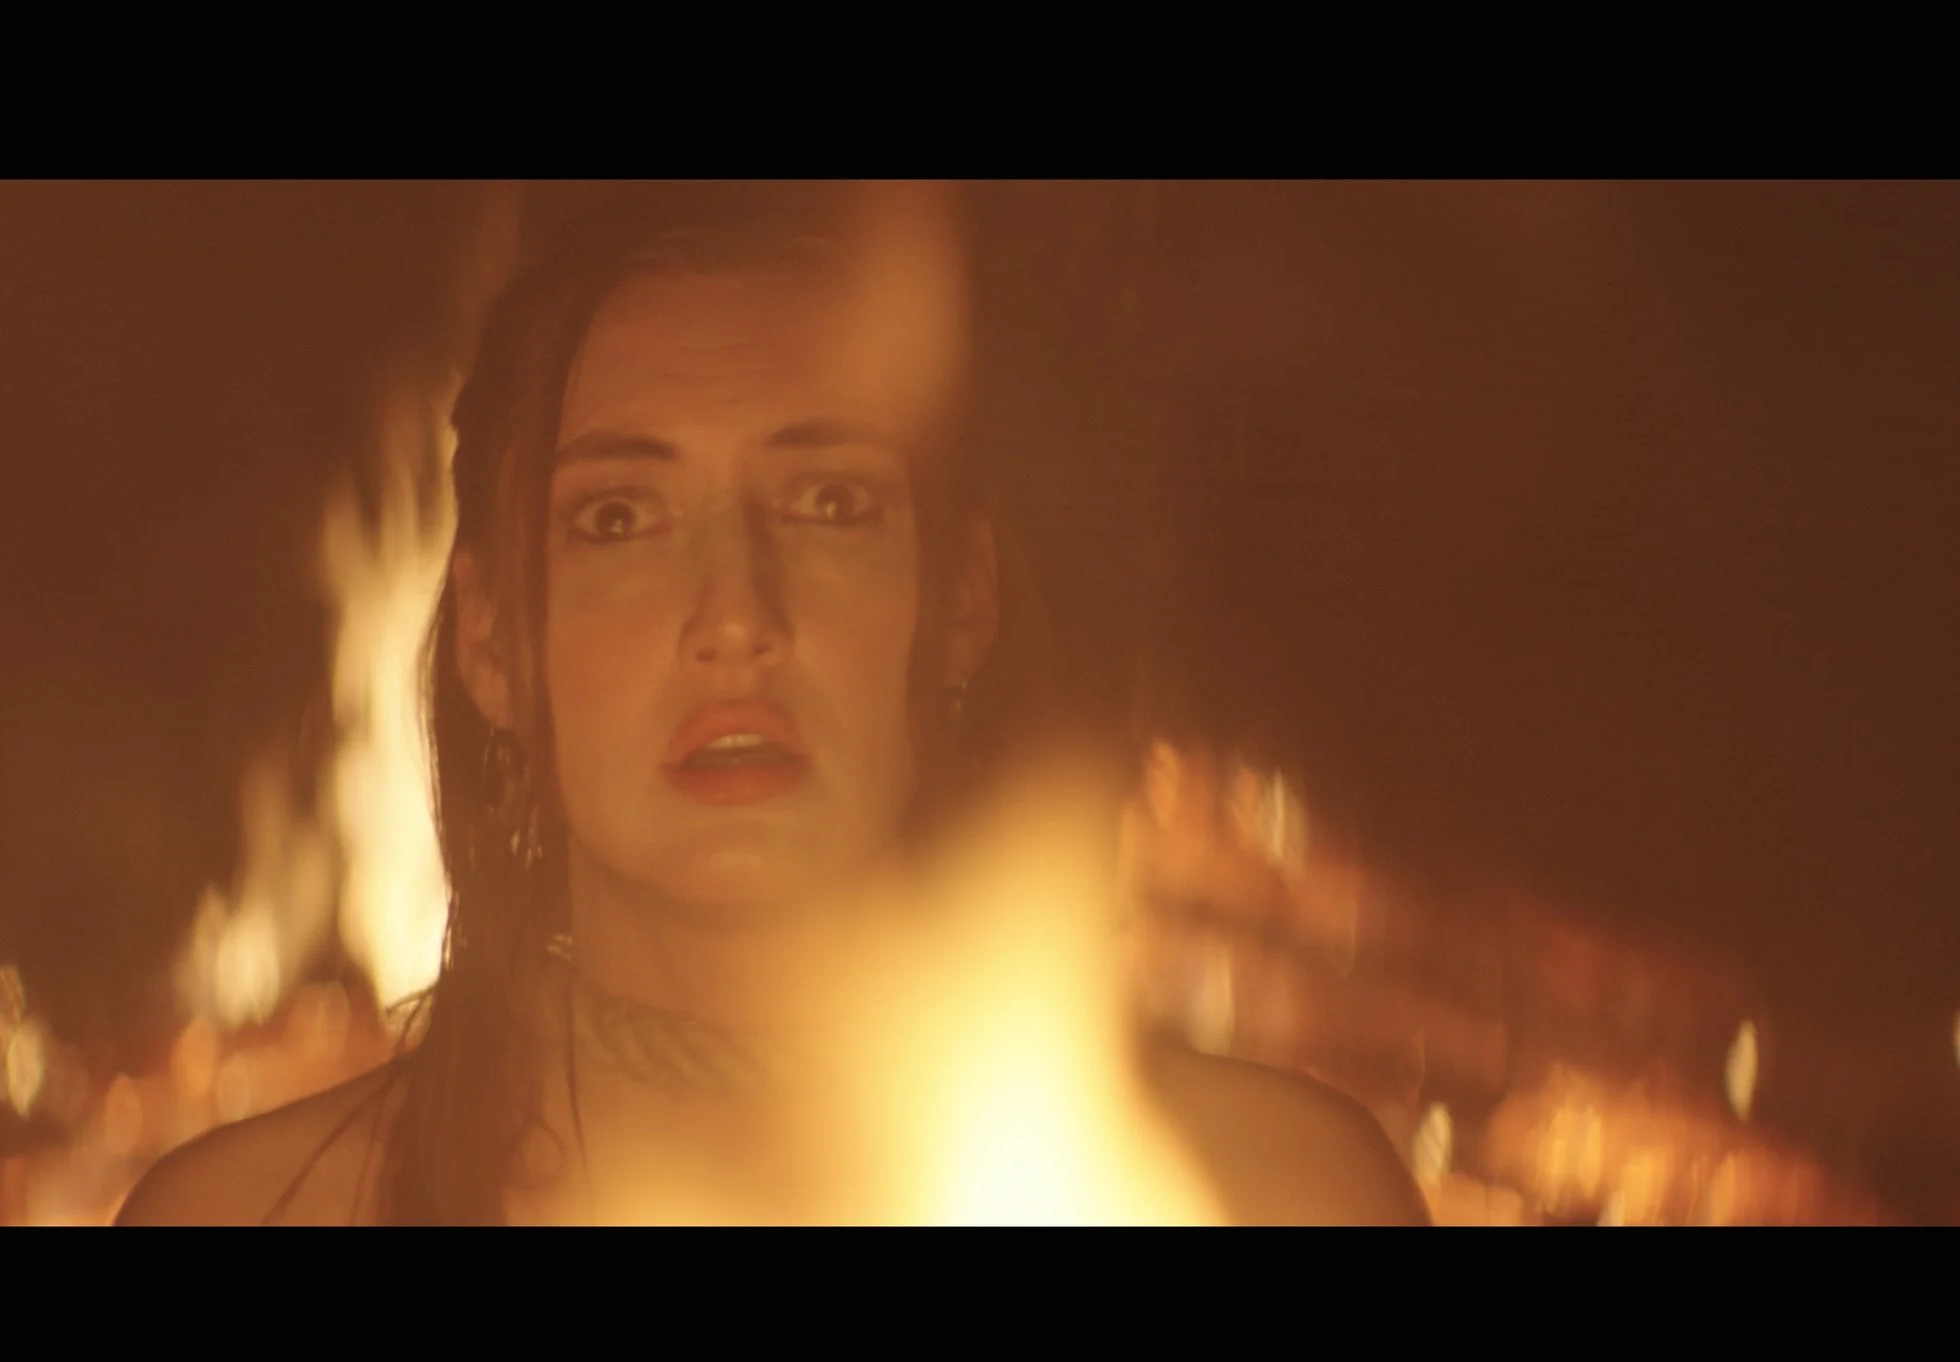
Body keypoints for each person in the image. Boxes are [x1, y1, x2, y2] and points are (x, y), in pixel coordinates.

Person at [119, 190, 1428, 1225]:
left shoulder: (1267, 1198)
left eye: (829, 503)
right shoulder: (261, 1214)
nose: (735, 614)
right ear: (491, 642)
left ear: (960, 601)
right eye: (618, 518)